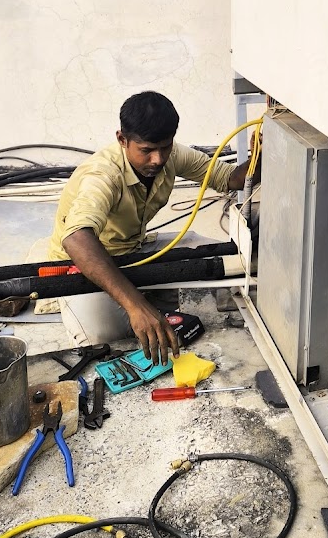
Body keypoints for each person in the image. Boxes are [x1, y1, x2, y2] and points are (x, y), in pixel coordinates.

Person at [42, 91, 249, 362]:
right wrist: (135, 306)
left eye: (165, 147)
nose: (158, 160)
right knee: (104, 340)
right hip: (83, 264)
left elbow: (229, 178)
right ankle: (141, 304)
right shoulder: (103, 176)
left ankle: (150, 302)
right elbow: (77, 239)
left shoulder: (170, 155)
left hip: (134, 248)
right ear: (122, 139)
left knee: (223, 256)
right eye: (146, 150)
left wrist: (266, 152)